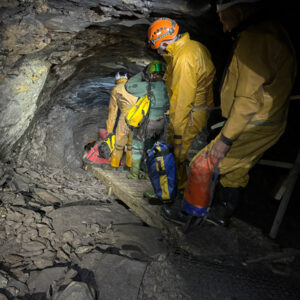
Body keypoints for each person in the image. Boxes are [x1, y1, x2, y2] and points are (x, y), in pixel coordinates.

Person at [163, 0, 297, 225]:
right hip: (271, 120)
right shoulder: (271, 33)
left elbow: (247, 100)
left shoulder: (255, 40)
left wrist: (224, 140)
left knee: (203, 163)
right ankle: (222, 213)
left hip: (254, 122)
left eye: (223, 20)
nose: (224, 28)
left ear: (239, 11)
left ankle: (189, 214)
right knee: (238, 168)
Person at [147, 18, 216, 192]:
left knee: (177, 155)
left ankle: (177, 195)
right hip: (197, 111)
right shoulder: (195, 47)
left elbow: (182, 99)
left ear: (163, 41)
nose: (159, 53)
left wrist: (177, 130)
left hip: (188, 115)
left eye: (158, 49)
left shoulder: (183, 59)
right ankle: (179, 190)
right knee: (180, 156)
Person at [125, 61, 169, 180]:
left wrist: (141, 73)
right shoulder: (168, 86)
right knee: (153, 147)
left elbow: (129, 86)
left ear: (151, 74)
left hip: (148, 122)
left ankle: (134, 173)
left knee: (137, 144)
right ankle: (152, 174)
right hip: (162, 123)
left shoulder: (149, 86)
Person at [106, 72, 137, 169]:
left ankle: (114, 165)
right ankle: (129, 167)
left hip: (125, 117)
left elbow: (113, 111)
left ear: (117, 80)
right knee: (132, 144)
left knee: (119, 143)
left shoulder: (116, 89)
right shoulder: (135, 86)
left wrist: (109, 131)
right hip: (138, 117)